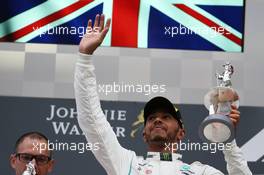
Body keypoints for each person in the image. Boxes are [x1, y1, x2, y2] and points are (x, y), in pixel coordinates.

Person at [74, 14, 252, 175]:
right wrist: (84, 58)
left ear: (181, 133)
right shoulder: (127, 164)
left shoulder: (200, 172)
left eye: (166, 117)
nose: (157, 120)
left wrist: (226, 138)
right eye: (151, 118)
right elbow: (92, 121)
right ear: (144, 133)